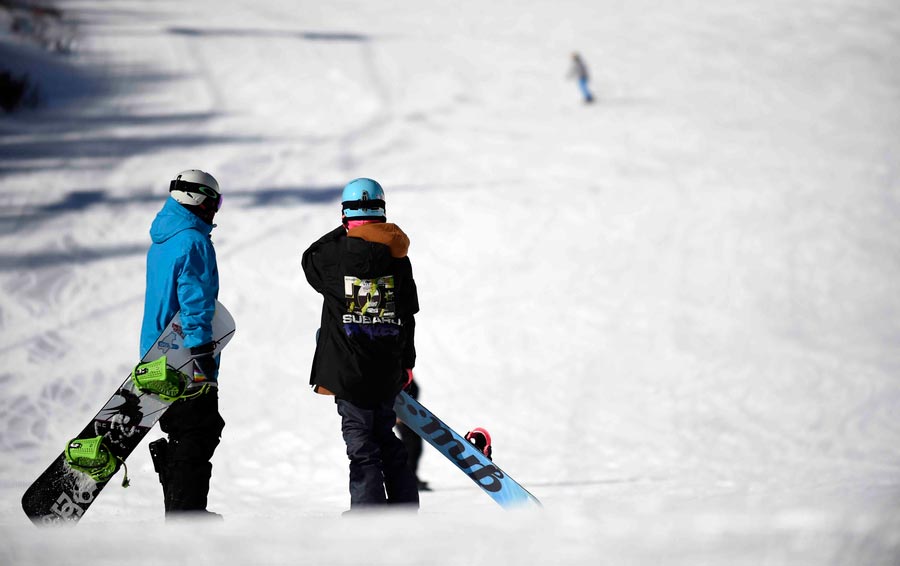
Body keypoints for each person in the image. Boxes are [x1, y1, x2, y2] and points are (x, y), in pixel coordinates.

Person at [302, 178, 420, 511]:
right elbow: (408, 315)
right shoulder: (399, 257)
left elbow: (308, 258)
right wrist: (407, 364)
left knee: (361, 445)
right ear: (382, 211)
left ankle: (369, 517)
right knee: (384, 437)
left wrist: (345, 230)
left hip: (347, 369)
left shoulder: (332, 257)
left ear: (345, 214)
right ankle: (404, 508)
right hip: (385, 369)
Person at [141, 169, 225, 518]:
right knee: (200, 431)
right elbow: (194, 302)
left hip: (156, 352)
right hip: (184, 357)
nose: (216, 210)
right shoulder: (193, 241)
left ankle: (179, 508)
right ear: (198, 199)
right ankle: (186, 512)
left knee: (182, 429)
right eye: (215, 201)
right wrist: (202, 356)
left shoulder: (163, 239)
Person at [395, 378, 429, 490]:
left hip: (406, 408)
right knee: (411, 444)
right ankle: (407, 479)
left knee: (414, 444)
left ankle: (410, 477)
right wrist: (395, 410)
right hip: (400, 408)